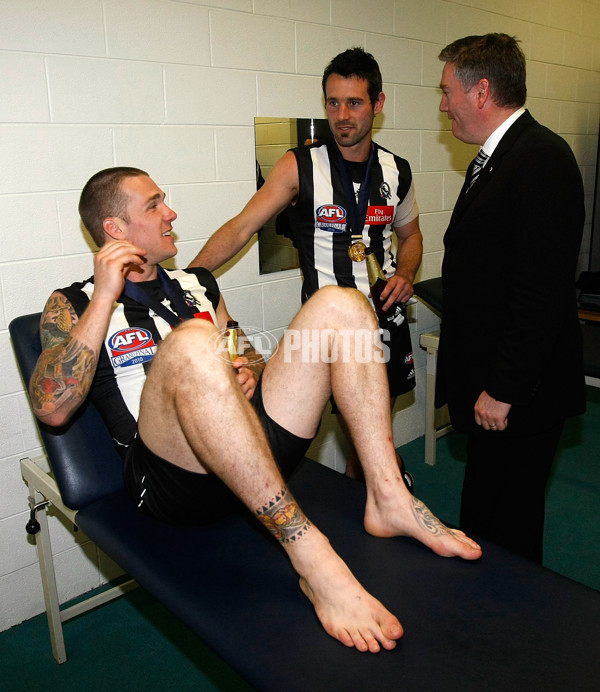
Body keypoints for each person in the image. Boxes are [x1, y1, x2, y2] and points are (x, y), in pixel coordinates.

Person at [29, 167, 481, 654]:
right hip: (172, 482)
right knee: (192, 343)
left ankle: (388, 496)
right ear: (115, 230)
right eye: (155, 205)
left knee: (342, 304)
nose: (171, 213)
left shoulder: (198, 284)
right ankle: (312, 559)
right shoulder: (72, 304)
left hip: (250, 452)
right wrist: (104, 295)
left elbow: (247, 359)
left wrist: (245, 370)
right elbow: (52, 409)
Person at [190, 47, 423, 483]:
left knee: (372, 438)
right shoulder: (300, 165)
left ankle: (373, 505)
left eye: (354, 102)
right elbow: (242, 228)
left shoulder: (397, 170)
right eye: (332, 102)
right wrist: (187, 279)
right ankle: (383, 490)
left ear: (379, 103)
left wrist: (407, 273)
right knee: (329, 438)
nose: (341, 115)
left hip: (385, 321)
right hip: (327, 329)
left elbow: (411, 235)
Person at [436, 34, 586, 563]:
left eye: (447, 90)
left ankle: (514, 636)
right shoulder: (498, 158)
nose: (442, 104)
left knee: (509, 526)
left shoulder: (542, 158)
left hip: (520, 395)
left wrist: (503, 389)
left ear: (480, 91)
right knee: (486, 514)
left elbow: (540, 291)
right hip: (495, 387)